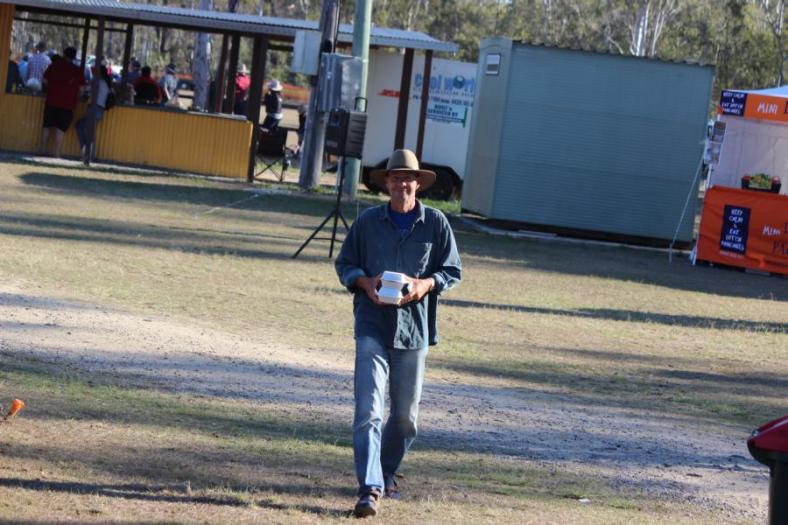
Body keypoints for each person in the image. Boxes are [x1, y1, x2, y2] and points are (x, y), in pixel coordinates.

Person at [334, 149, 462, 518]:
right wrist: (364, 281)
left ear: (418, 184)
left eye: (410, 178)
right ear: (386, 182)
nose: (402, 184)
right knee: (368, 411)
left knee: (406, 419)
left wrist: (425, 284)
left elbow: (452, 271)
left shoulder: (436, 223)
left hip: (414, 331)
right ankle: (369, 488)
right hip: (371, 325)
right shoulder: (367, 222)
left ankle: (386, 471)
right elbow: (345, 263)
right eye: (396, 177)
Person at [40, 46, 86, 157]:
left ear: (64, 54)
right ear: (75, 57)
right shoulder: (77, 70)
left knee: (47, 126)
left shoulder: (54, 65)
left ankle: (41, 150)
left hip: (51, 100)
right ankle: (56, 153)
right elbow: (82, 89)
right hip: (67, 104)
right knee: (60, 128)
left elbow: (44, 80)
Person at [75, 65, 113, 163]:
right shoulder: (107, 83)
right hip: (100, 109)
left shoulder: (98, 82)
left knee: (82, 127)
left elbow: (89, 94)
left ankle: (86, 152)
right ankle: (88, 154)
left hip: (94, 107)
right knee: (87, 130)